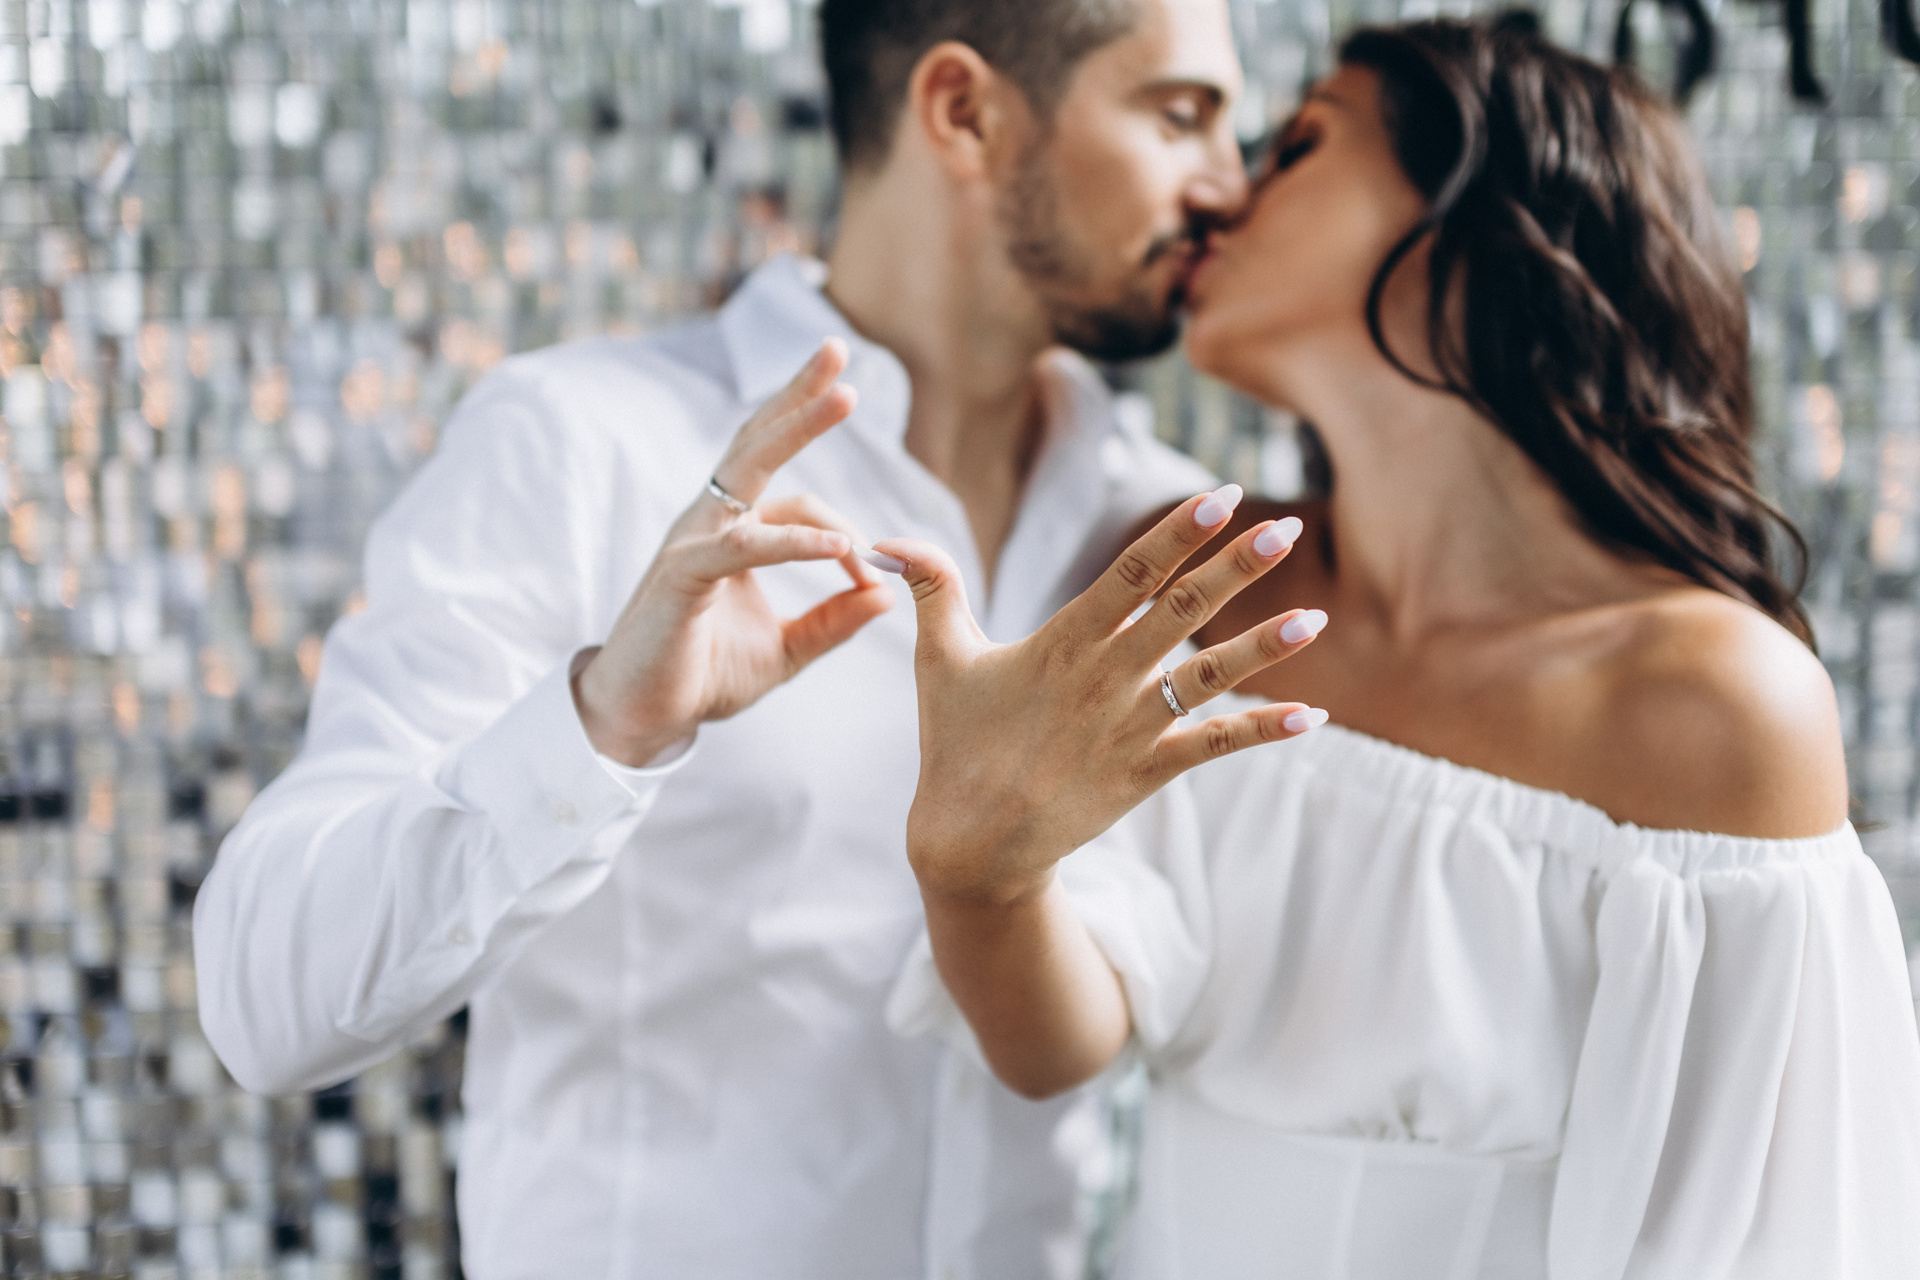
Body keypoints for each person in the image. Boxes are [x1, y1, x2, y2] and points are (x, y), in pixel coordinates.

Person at [191, 0, 1258, 1274]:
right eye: (1181, 115)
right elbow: (265, 1005)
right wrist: (603, 725)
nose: (1231, 184)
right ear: (963, 111)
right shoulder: (578, 444)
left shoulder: (1168, 534)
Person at [875, 17, 1920, 1279]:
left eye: (1297, 146)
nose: (1221, 194)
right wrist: (974, 878)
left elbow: (1767, 1244)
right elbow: (1055, 1042)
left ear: (1478, 222)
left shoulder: (1718, 707)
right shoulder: (1203, 583)